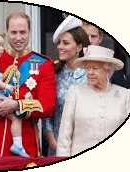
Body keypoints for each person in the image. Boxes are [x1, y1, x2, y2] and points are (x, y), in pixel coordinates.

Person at [0, 11, 56, 157]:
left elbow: (47, 106)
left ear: (30, 32)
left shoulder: (43, 64)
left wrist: (17, 105)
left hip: (24, 145)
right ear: (6, 32)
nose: (18, 37)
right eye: (14, 32)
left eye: (23, 32)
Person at [57, 45, 130, 156]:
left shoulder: (124, 95)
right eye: (88, 68)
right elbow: (64, 136)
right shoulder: (75, 92)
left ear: (108, 70)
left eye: (95, 68)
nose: (90, 72)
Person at [43, 16, 90, 156]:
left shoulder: (90, 75)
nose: (59, 47)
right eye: (59, 43)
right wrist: (51, 139)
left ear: (79, 47)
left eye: (65, 43)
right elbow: (48, 112)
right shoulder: (54, 73)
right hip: (56, 147)